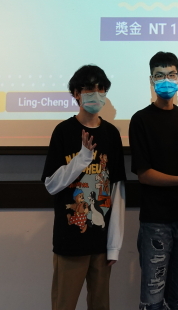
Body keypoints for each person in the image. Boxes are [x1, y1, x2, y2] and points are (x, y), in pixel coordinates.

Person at [42, 65, 126, 310]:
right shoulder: (63, 131)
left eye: (101, 88)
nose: (96, 94)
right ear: (77, 93)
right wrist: (82, 158)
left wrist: (114, 246)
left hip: (101, 243)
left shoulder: (111, 134)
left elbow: (117, 190)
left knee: (101, 305)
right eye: (89, 88)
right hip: (70, 242)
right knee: (63, 304)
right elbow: (51, 185)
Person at [129, 51, 178, 310]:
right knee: (153, 301)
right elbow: (144, 174)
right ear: (151, 80)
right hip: (156, 220)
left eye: (171, 74)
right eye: (160, 75)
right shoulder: (140, 120)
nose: (166, 80)